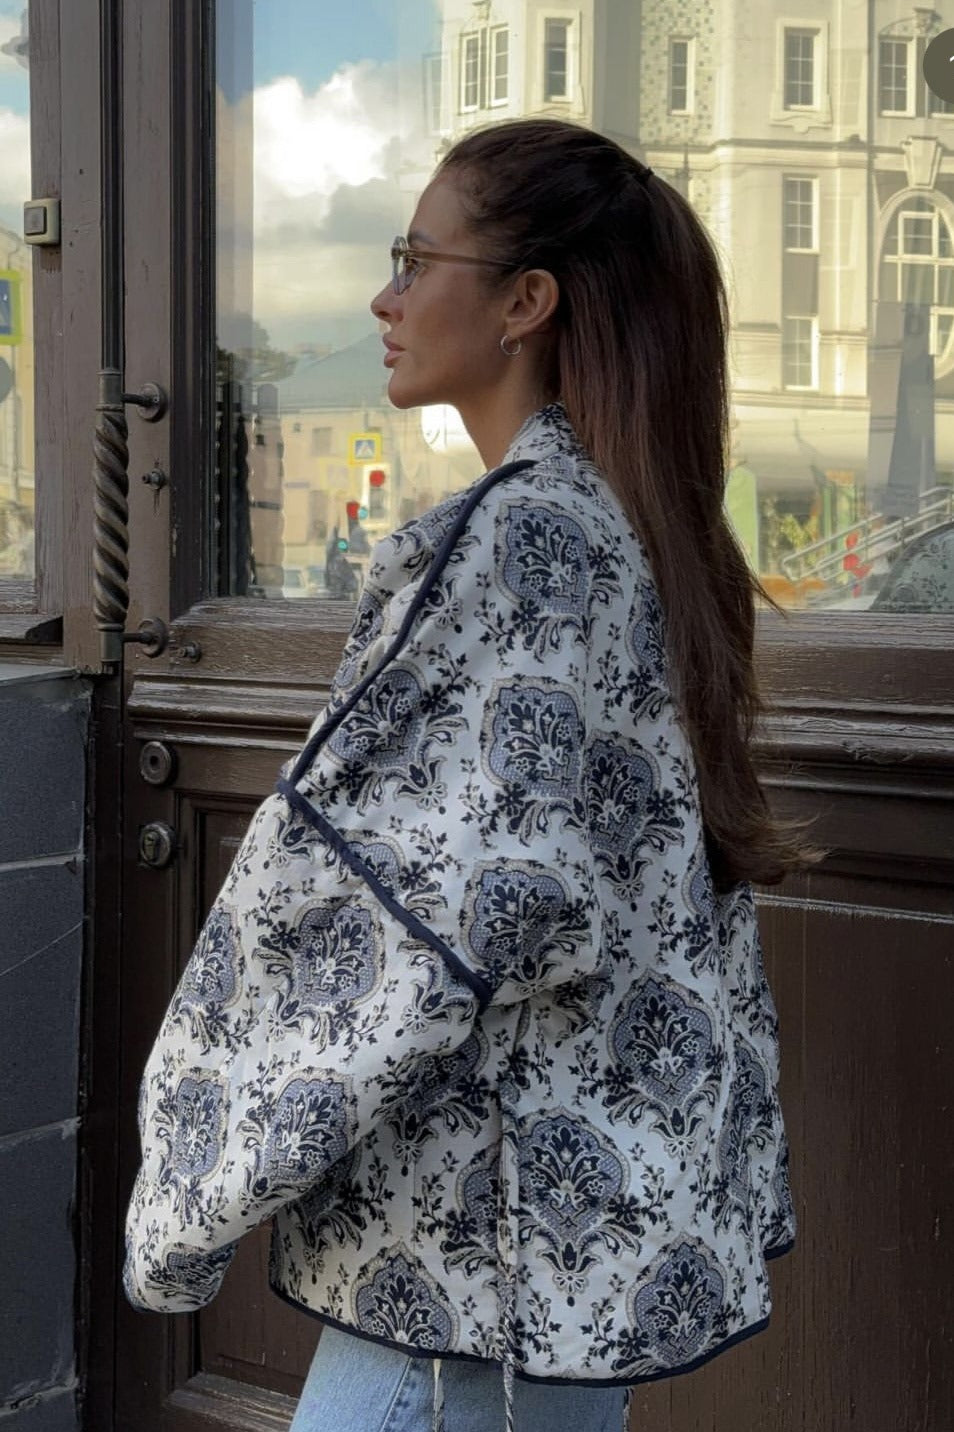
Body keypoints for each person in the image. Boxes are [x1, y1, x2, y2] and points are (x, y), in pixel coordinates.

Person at [124, 118, 810, 1432]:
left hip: (472, 1265)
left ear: (523, 301)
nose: (383, 300)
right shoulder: (634, 524)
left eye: (413, 258)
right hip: (573, 1248)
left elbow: (384, 914)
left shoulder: (514, 543)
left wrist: (191, 1189)